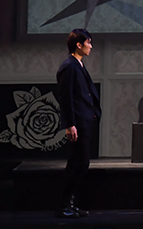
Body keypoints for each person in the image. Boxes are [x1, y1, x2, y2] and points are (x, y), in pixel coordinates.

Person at [56, 28, 101, 219]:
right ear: (79, 44)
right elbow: (66, 98)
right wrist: (70, 124)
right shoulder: (69, 67)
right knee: (79, 164)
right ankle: (65, 204)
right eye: (88, 42)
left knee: (77, 163)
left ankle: (70, 204)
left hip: (85, 120)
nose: (91, 46)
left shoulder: (78, 65)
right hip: (78, 123)